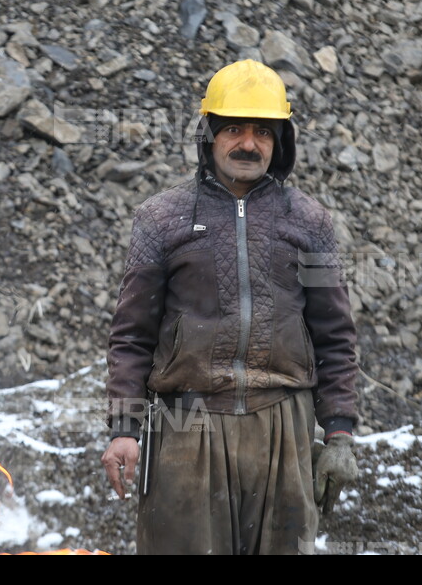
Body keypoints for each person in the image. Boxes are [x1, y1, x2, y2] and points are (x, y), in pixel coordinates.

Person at [101, 59, 359, 555]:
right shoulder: (161, 219)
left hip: (284, 428)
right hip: (185, 428)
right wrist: (123, 429)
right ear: (209, 136)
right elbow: (131, 334)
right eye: (234, 129)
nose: (248, 143)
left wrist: (341, 433)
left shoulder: (310, 223)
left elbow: (335, 335)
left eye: (263, 131)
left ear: (279, 141)